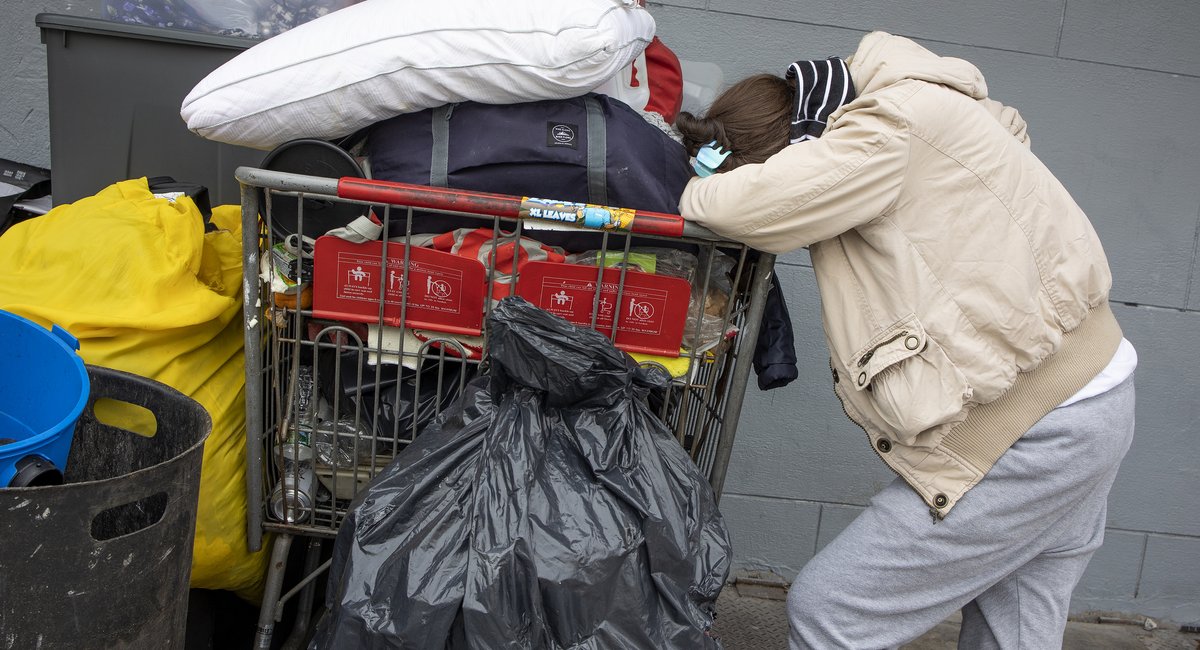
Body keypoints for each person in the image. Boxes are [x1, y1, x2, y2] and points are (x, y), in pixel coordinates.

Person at [675, 31, 1137, 649]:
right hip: (1088, 393)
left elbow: (738, 206)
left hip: (1033, 426)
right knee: (1018, 620)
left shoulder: (887, 125)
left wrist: (694, 173)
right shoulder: (924, 106)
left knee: (833, 611)